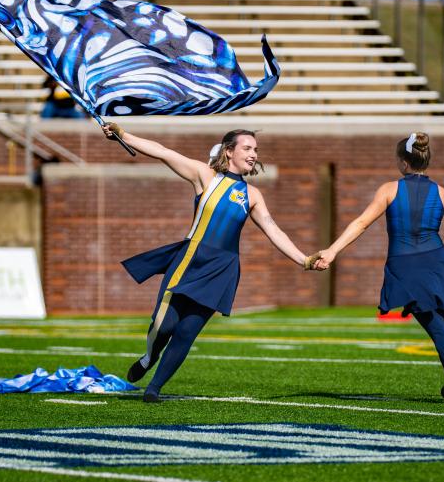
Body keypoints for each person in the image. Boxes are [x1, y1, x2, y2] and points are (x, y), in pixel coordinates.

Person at [101, 122, 320, 403]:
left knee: (186, 333)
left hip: (221, 269)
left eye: (255, 149)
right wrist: (123, 135)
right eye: (247, 148)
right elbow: (162, 151)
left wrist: (304, 259)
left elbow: (273, 229)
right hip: (190, 258)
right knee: (163, 325)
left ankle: (154, 388)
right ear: (229, 151)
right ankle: (149, 356)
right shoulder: (206, 176)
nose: (253, 154)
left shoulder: (253, 195)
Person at [314, 133, 444, 405]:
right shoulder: (443, 193)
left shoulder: (389, 190)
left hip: (408, 267)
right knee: (441, 324)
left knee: (437, 328)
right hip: (438, 263)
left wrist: (332, 250)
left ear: (404, 163)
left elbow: (362, 223)